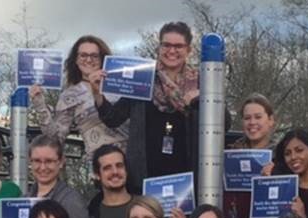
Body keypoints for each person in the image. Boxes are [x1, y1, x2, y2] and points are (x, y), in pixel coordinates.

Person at [93, 22, 227, 189]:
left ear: (188, 50)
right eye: (166, 45)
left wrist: (200, 100)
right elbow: (113, 119)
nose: (172, 51)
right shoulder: (142, 77)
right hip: (146, 176)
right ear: (159, 47)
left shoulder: (202, 81)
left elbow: (224, 123)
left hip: (188, 176)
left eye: (178, 46)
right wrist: (97, 92)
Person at [31, 35, 129, 162]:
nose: (88, 60)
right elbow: (54, 139)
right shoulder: (70, 95)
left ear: (103, 59)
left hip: (132, 161)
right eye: (83, 55)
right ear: (75, 60)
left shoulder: (120, 84)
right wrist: (40, 106)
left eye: (94, 56)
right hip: (100, 167)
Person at [225, 93, 277, 218]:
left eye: (258, 117)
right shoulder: (229, 155)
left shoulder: (283, 157)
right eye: (247, 118)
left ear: (271, 120)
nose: (252, 122)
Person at [27, 135, 91, 218]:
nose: (42, 167)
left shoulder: (72, 200)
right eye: (37, 161)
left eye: (49, 161)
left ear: (61, 162)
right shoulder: (22, 199)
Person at [87, 144, 134, 218]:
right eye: (107, 168)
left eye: (119, 166)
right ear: (97, 175)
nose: (115, 172)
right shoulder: (90, 214)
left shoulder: (146, 205)